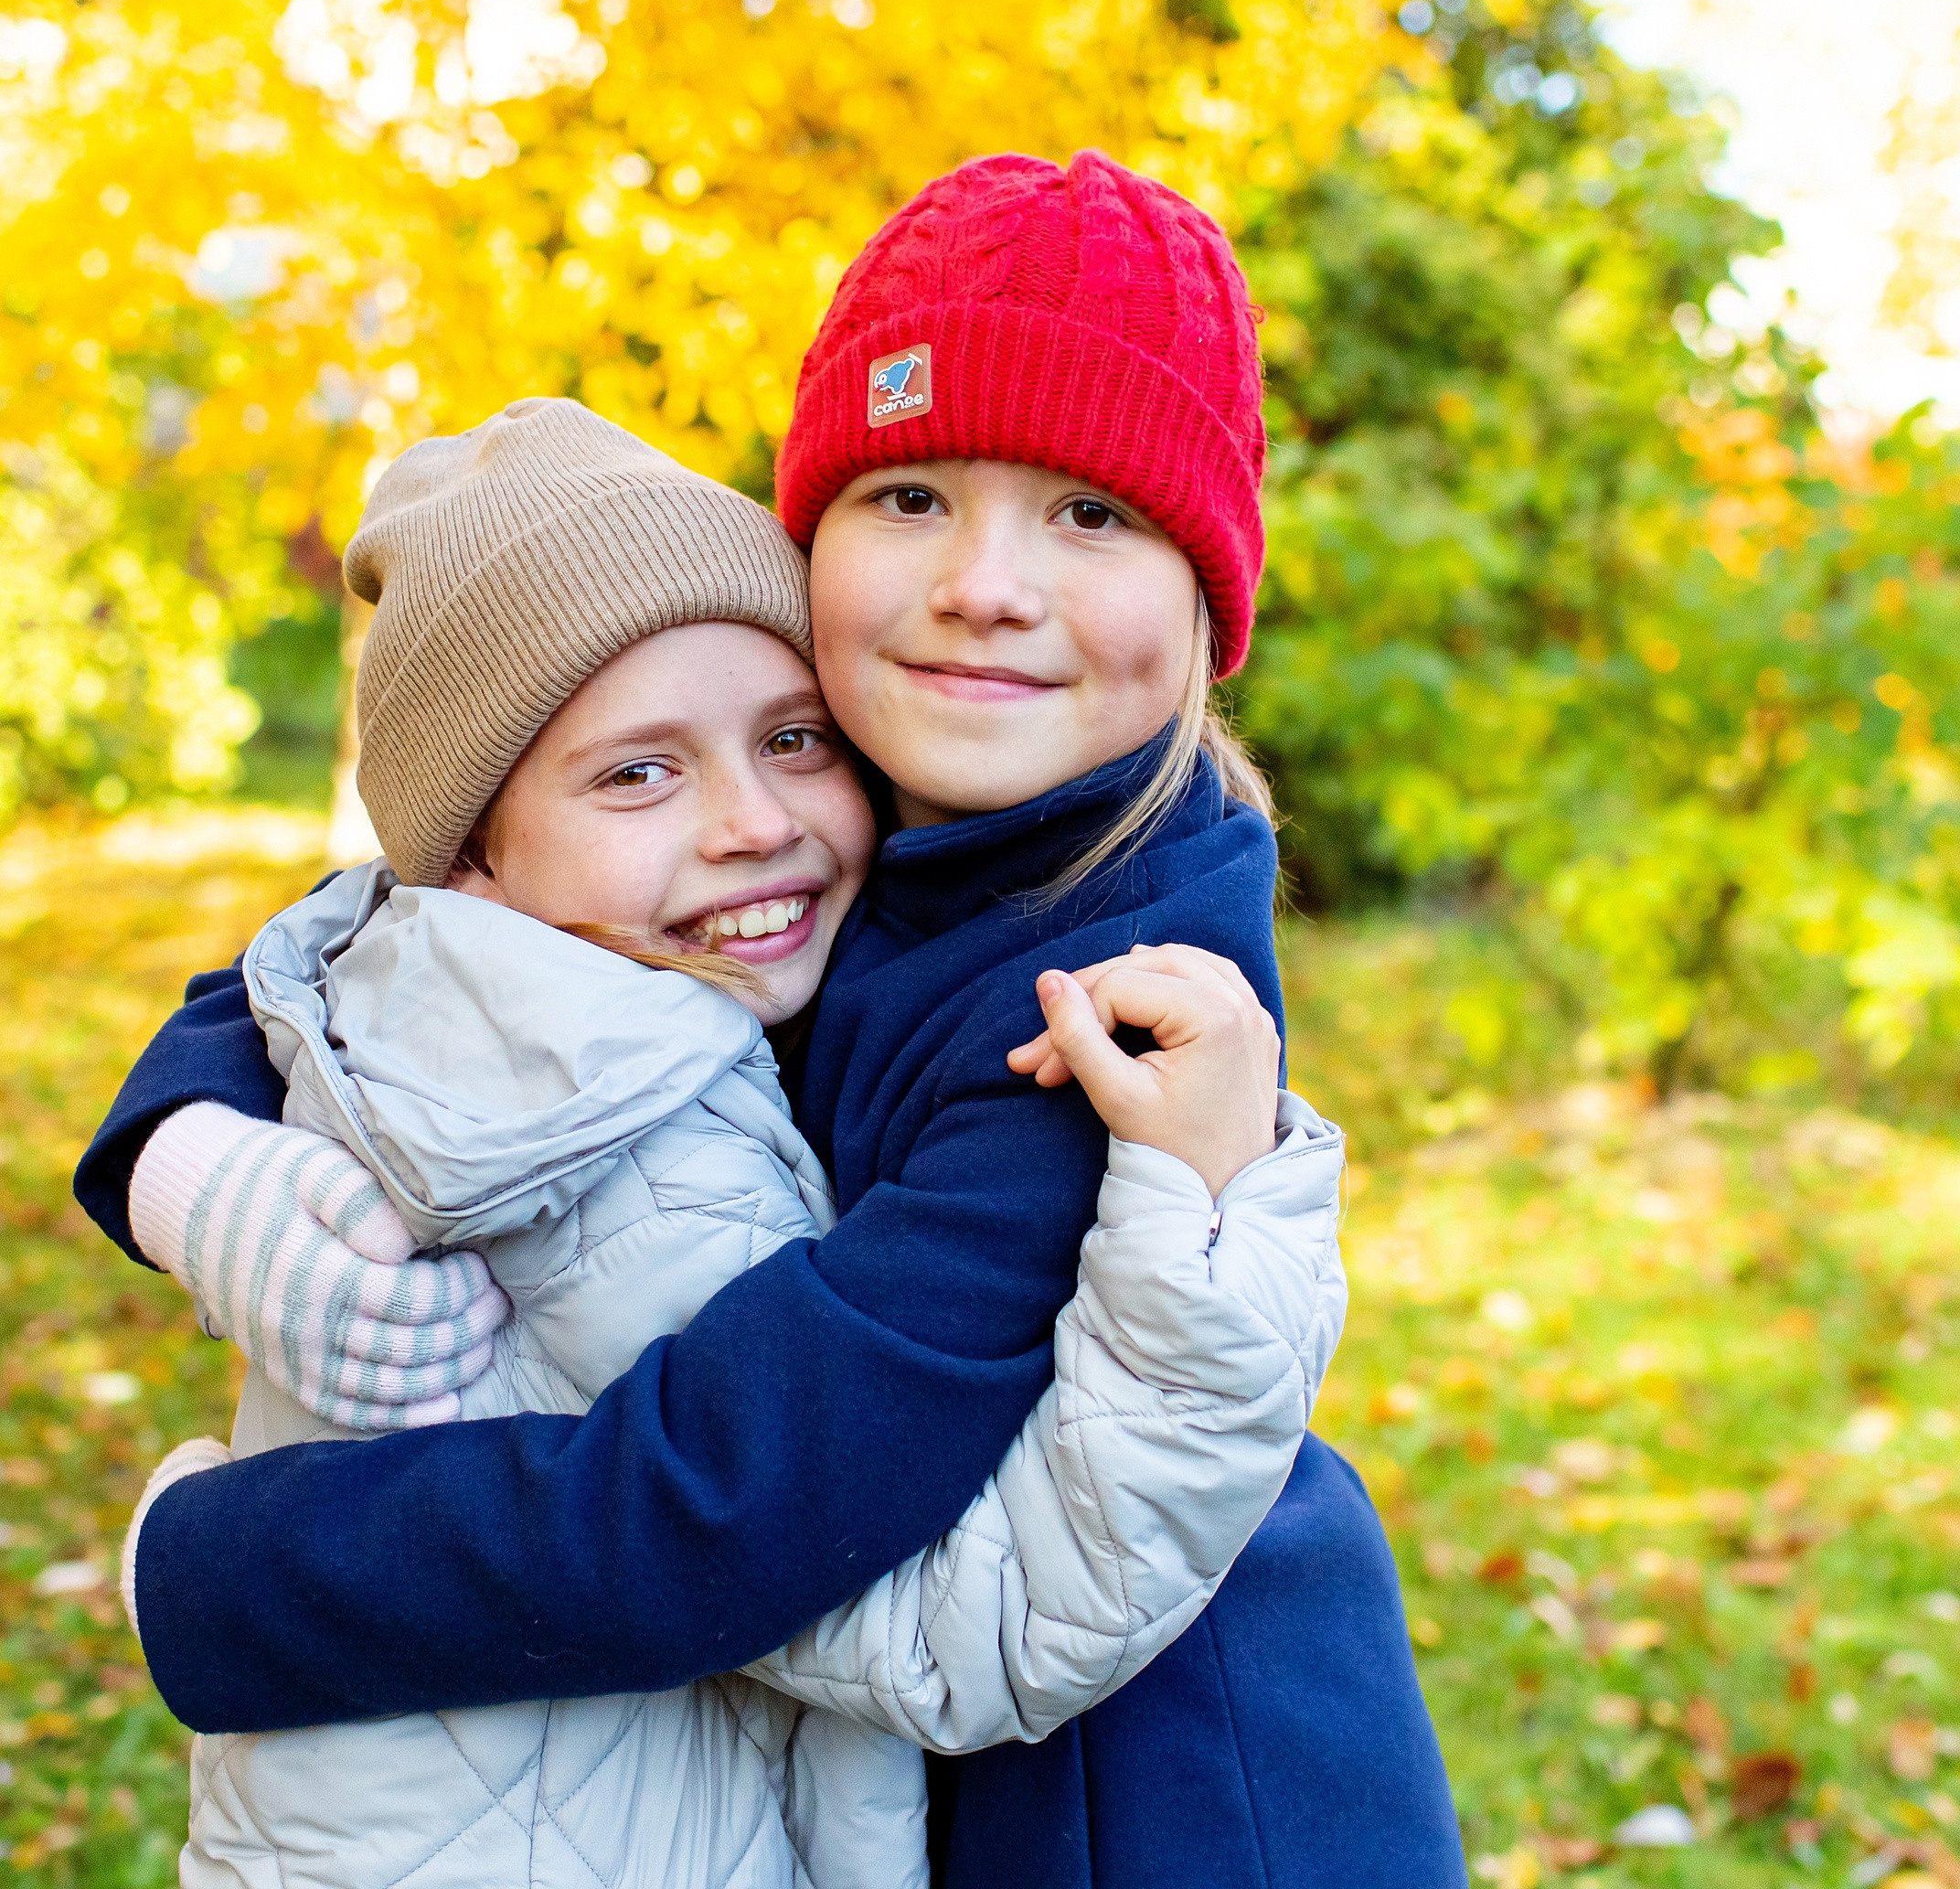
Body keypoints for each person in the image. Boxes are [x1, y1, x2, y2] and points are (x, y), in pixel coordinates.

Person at [82, 152, 1465, 1887]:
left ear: (1210, 595)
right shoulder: (868, 792)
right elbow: (372, 919)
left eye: (1090, 514)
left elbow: (732, 1506)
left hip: (1162, 1790)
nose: (984, 582)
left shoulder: (1104, 1017)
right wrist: (176, 1146)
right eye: (909, 498)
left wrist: (225, 1577)